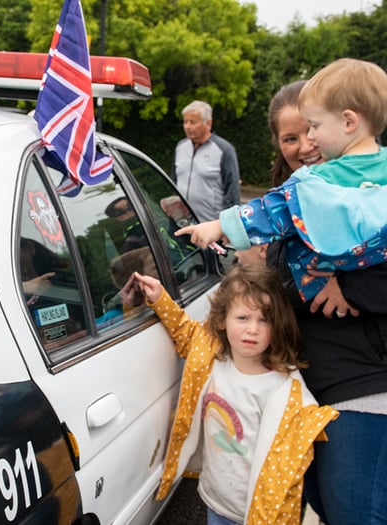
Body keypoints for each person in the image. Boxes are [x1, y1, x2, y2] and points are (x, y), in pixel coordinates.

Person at [238, 78, 387, 525]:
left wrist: (352, 289)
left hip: (363, 382)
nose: (305, 144)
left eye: (311, 129)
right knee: (325, 503)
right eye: (290, 137)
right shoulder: (285, 204)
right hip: (306, 388)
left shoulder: (367, 191)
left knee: (355, 510)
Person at [121, 265, 337, 525]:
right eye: (243, 318)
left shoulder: (284, 391)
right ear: (222, 320)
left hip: (255, 515)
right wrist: (158, 298)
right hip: (215, 502)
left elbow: (288, 464)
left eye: (264, 320)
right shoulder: (211, 357)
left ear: (277, 325)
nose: (253, 329)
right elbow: (185, 331)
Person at [177, 59, 387, 302]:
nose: (309, 141)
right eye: (290, 139)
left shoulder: (313, 183)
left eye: (314, 126)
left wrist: (221, 226)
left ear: (348, 122)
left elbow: (272, 210)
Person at [171, 100, 241, 222]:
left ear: (208, 123)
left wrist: (227, 225)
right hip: (180, 223)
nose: (187, 126)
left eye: (193, 122)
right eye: (185, 122)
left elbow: (232, 192)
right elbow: (173, 181)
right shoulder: (180, 147)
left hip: (210, 226)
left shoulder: (224, 150)